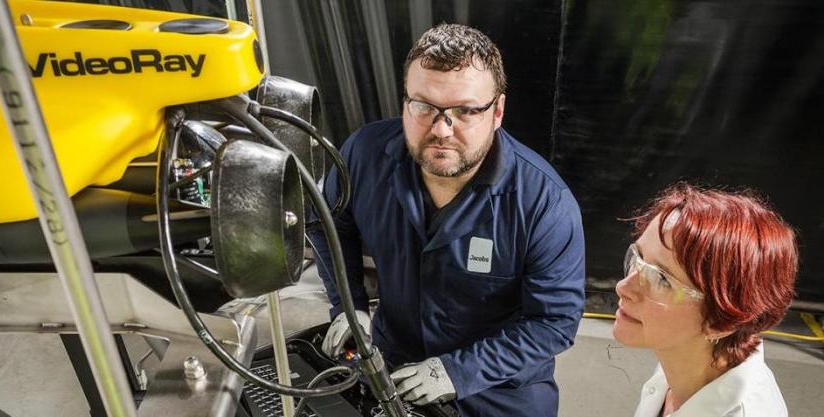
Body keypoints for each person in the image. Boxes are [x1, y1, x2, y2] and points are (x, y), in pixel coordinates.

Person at [308, 24, 586, 417]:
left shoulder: (543, 204)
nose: (441, 129)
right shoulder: (363, 155)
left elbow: (554, 321)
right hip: (390, 364)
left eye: (466, 110)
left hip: (497, 391)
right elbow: (325, 222)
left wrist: (458, 370)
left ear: (498, 111)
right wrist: (349, 307)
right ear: (404, 102)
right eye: (424, 106)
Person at [613, 184, 797, 417]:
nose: (623, 287)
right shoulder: (683, 363)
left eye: (661, 279)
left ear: (722, 321)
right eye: (638, 258)